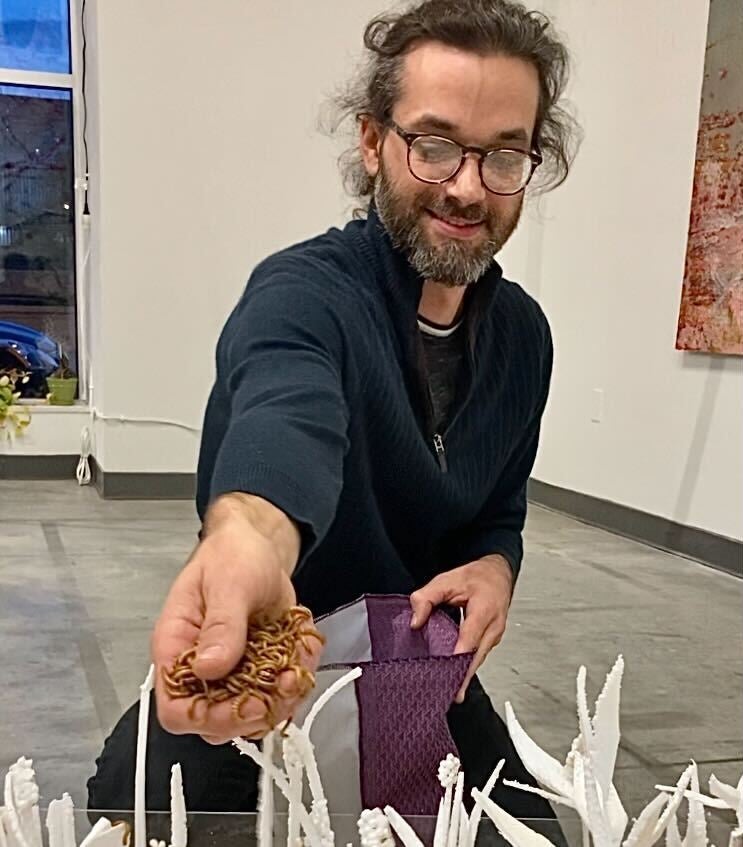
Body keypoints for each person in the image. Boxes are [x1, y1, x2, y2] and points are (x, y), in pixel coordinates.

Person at [88, 0, 578, 819]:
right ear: (372, 140)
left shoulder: (523, 336)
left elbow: (497, 511)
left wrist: (496, 566)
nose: (465, 186)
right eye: (433, 145)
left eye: (502, 155)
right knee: (133, 816)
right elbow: (288, 406)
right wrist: (251, 535)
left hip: (415, 665)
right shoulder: (306, 294)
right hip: (268, 653)